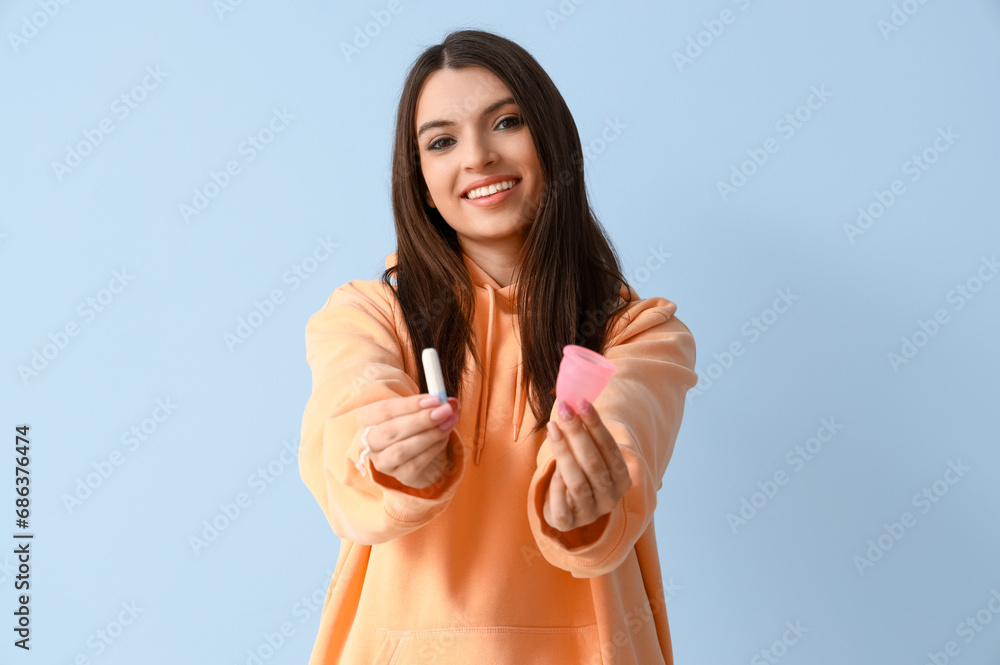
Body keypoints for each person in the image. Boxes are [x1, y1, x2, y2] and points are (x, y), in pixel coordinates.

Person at [298, 28, 698, 665]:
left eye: (506, 122)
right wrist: (388, 461)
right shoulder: (370, 315)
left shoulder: (639, 333)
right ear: (420, 177)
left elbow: (625, 448)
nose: (478, 157)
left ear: (553, 139)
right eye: (442, 141)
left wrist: (586, 503)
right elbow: (344, 434)